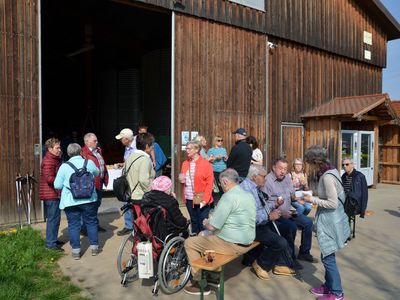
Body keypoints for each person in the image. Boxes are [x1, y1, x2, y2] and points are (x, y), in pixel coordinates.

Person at [184, 168, 256, 295]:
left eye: (221, 184)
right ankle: (213, 275)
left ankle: (199, 283)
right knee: (207, 238)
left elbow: (213, 226)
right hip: (248, 240)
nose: (220, 187)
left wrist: (206, 222)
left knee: (190, 242)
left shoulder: (228, 197)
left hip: (232, 244)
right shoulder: (247, 194)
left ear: (225, 182)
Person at [303, 145, 350, 300]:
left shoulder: (327, 177)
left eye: (309, 162)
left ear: (315, 161)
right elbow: (329, 195)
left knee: (328, 258)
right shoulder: (330, 170)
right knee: (327, 255)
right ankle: (328, 286)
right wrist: (314, 194)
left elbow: (333, 203)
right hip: (332, 220)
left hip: (331, 221)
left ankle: (337, 293)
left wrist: (312, 199)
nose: (308, 165)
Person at [240, 165, 296, 280]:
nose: (266, 179)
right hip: (250, 227)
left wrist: (275, 204)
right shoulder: (246, 191)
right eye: (264, 176)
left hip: (260, 223)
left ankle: (281, 263)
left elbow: (261, 207)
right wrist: (269, 216)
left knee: (288, 227)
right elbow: (251, 218)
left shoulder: (254, 187)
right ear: (254, 177)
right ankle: (261, 264)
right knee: (280, 242)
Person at [264, 157, 317, 264]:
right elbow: (264, 205)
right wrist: (279, 210)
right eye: (280, 168)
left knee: (308, 223)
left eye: (285, 169)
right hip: (276, 216)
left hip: (288, 213)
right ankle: (289, 258)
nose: (283, 171)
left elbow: (292, 195)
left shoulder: (287, 178)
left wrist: (301, 197)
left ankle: (304, 253)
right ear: (274, 168)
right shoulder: (267, 181)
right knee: (291, 226)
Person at [54, 143, 100, 259]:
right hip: (89, 199)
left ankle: (76, 251)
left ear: (68, 154)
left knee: (73, 225)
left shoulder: (64, 166)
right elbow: (97, 173)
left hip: (71, 201)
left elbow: (57, 185)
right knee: (91, 222)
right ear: (81, 152)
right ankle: (94, 247)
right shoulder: (88, 163)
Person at [121, 132, 156, 236]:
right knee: (144, 223)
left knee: (137, 220)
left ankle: (137, 238)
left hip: (131, 194)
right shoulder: (145, 159)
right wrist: (152, 192)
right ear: (146, 146)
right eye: (151, 144)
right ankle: (143, 242)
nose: (153, 146)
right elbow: (143, 180)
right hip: (141, 196)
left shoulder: (131, 156)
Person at [179, 140, 213, 235]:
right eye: (186, 148)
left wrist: (205, 200)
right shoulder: (185, 163)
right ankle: (194, 242)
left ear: (197, 149)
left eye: (189, 148)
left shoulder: (206, 164)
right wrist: (181, 180)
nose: (187, 151)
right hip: (189, 198)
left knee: (202, 222)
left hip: (202, 199)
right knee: (194, 221)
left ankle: (203, 244)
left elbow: (209, 184)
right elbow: (183, 178)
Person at [141, 176, 188, 240]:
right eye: (170, 187)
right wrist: (186, 222)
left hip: (149, 228)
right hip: (166, 232)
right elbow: (179, 221)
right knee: (185, 229)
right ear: (167, 188)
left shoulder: (146, 196)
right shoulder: (169, 201)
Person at [81, 133, 109, 233]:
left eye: (97, 140)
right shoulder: (83, 153)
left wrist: (105, 178)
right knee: (88, 206)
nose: (97, 142)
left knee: (96, 204)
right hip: (90, 184)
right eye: (95, 141)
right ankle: (85, 227)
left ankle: (94, 225)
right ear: (87, 142)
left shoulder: (98, 151)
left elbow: (102, 165)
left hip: (99, 182)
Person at [39, 138, 63, 251]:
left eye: (59, 147)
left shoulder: (55, 159)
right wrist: (62, 179)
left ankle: (53, 239)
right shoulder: (48, 160)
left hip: (55, 193)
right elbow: (49, 179)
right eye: (57, 148)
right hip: (51, 194)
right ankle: (50, 244)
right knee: (53, 219)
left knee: (56, 218)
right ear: (50, 149)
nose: (59, 150)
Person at [115, 128, 136, 235]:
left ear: (127, 139)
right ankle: (129, 226)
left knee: (135, 202)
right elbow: (128, 162)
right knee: (126, 201)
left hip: (135, 180)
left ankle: (136, 227)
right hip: (127, 179)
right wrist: (123, 164)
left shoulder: (137, 148)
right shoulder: (127, 148)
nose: (120, 140)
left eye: (121, 138)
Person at [207, 135, 227, 203]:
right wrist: (216, 158)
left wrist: (225, 158)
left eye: (221, 140)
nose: (220, 142)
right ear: (215, 141)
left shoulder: (223, 150)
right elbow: (208, 160)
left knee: (223, 187)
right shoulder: (211, 150)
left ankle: (223, 202)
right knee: (215, 188)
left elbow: (226, 159)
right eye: (218, 140)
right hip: (214, 170)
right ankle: (214, 203)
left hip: (223, 170)